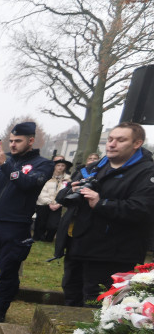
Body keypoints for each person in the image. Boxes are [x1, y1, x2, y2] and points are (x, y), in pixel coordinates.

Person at [55, 123, 154, 306]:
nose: (112, 144)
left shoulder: (147, 172)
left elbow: (141, 209)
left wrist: (100, 203)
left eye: (120, 140)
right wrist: (71, 190)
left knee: (96, 303)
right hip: (78, 246)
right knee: (71, 294)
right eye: (110, 139)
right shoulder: (92, 168)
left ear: (137, 143)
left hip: (113, 254)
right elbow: (62, 196)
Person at [0, 122, 53, 323]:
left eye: (18, 141)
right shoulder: (2, 161)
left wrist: (5, 164)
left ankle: (0, 308)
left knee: (8, 269)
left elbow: (27, 184)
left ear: (30, 141)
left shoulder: (42, 164)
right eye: (11, 141)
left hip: (15, 223)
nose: (13, 145)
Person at [32, 156, 71, 242]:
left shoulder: (67, 179)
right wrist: (49, 202)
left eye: (62, 165)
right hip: (44, 203)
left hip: (57, 204)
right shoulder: (47, 175)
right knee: (41, 222)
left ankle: (49, 239)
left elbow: (66, 192)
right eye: (58, 165)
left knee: (53, 224)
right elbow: (42, 190)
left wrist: (59, 203)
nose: (60, 167)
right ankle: (37, 237)